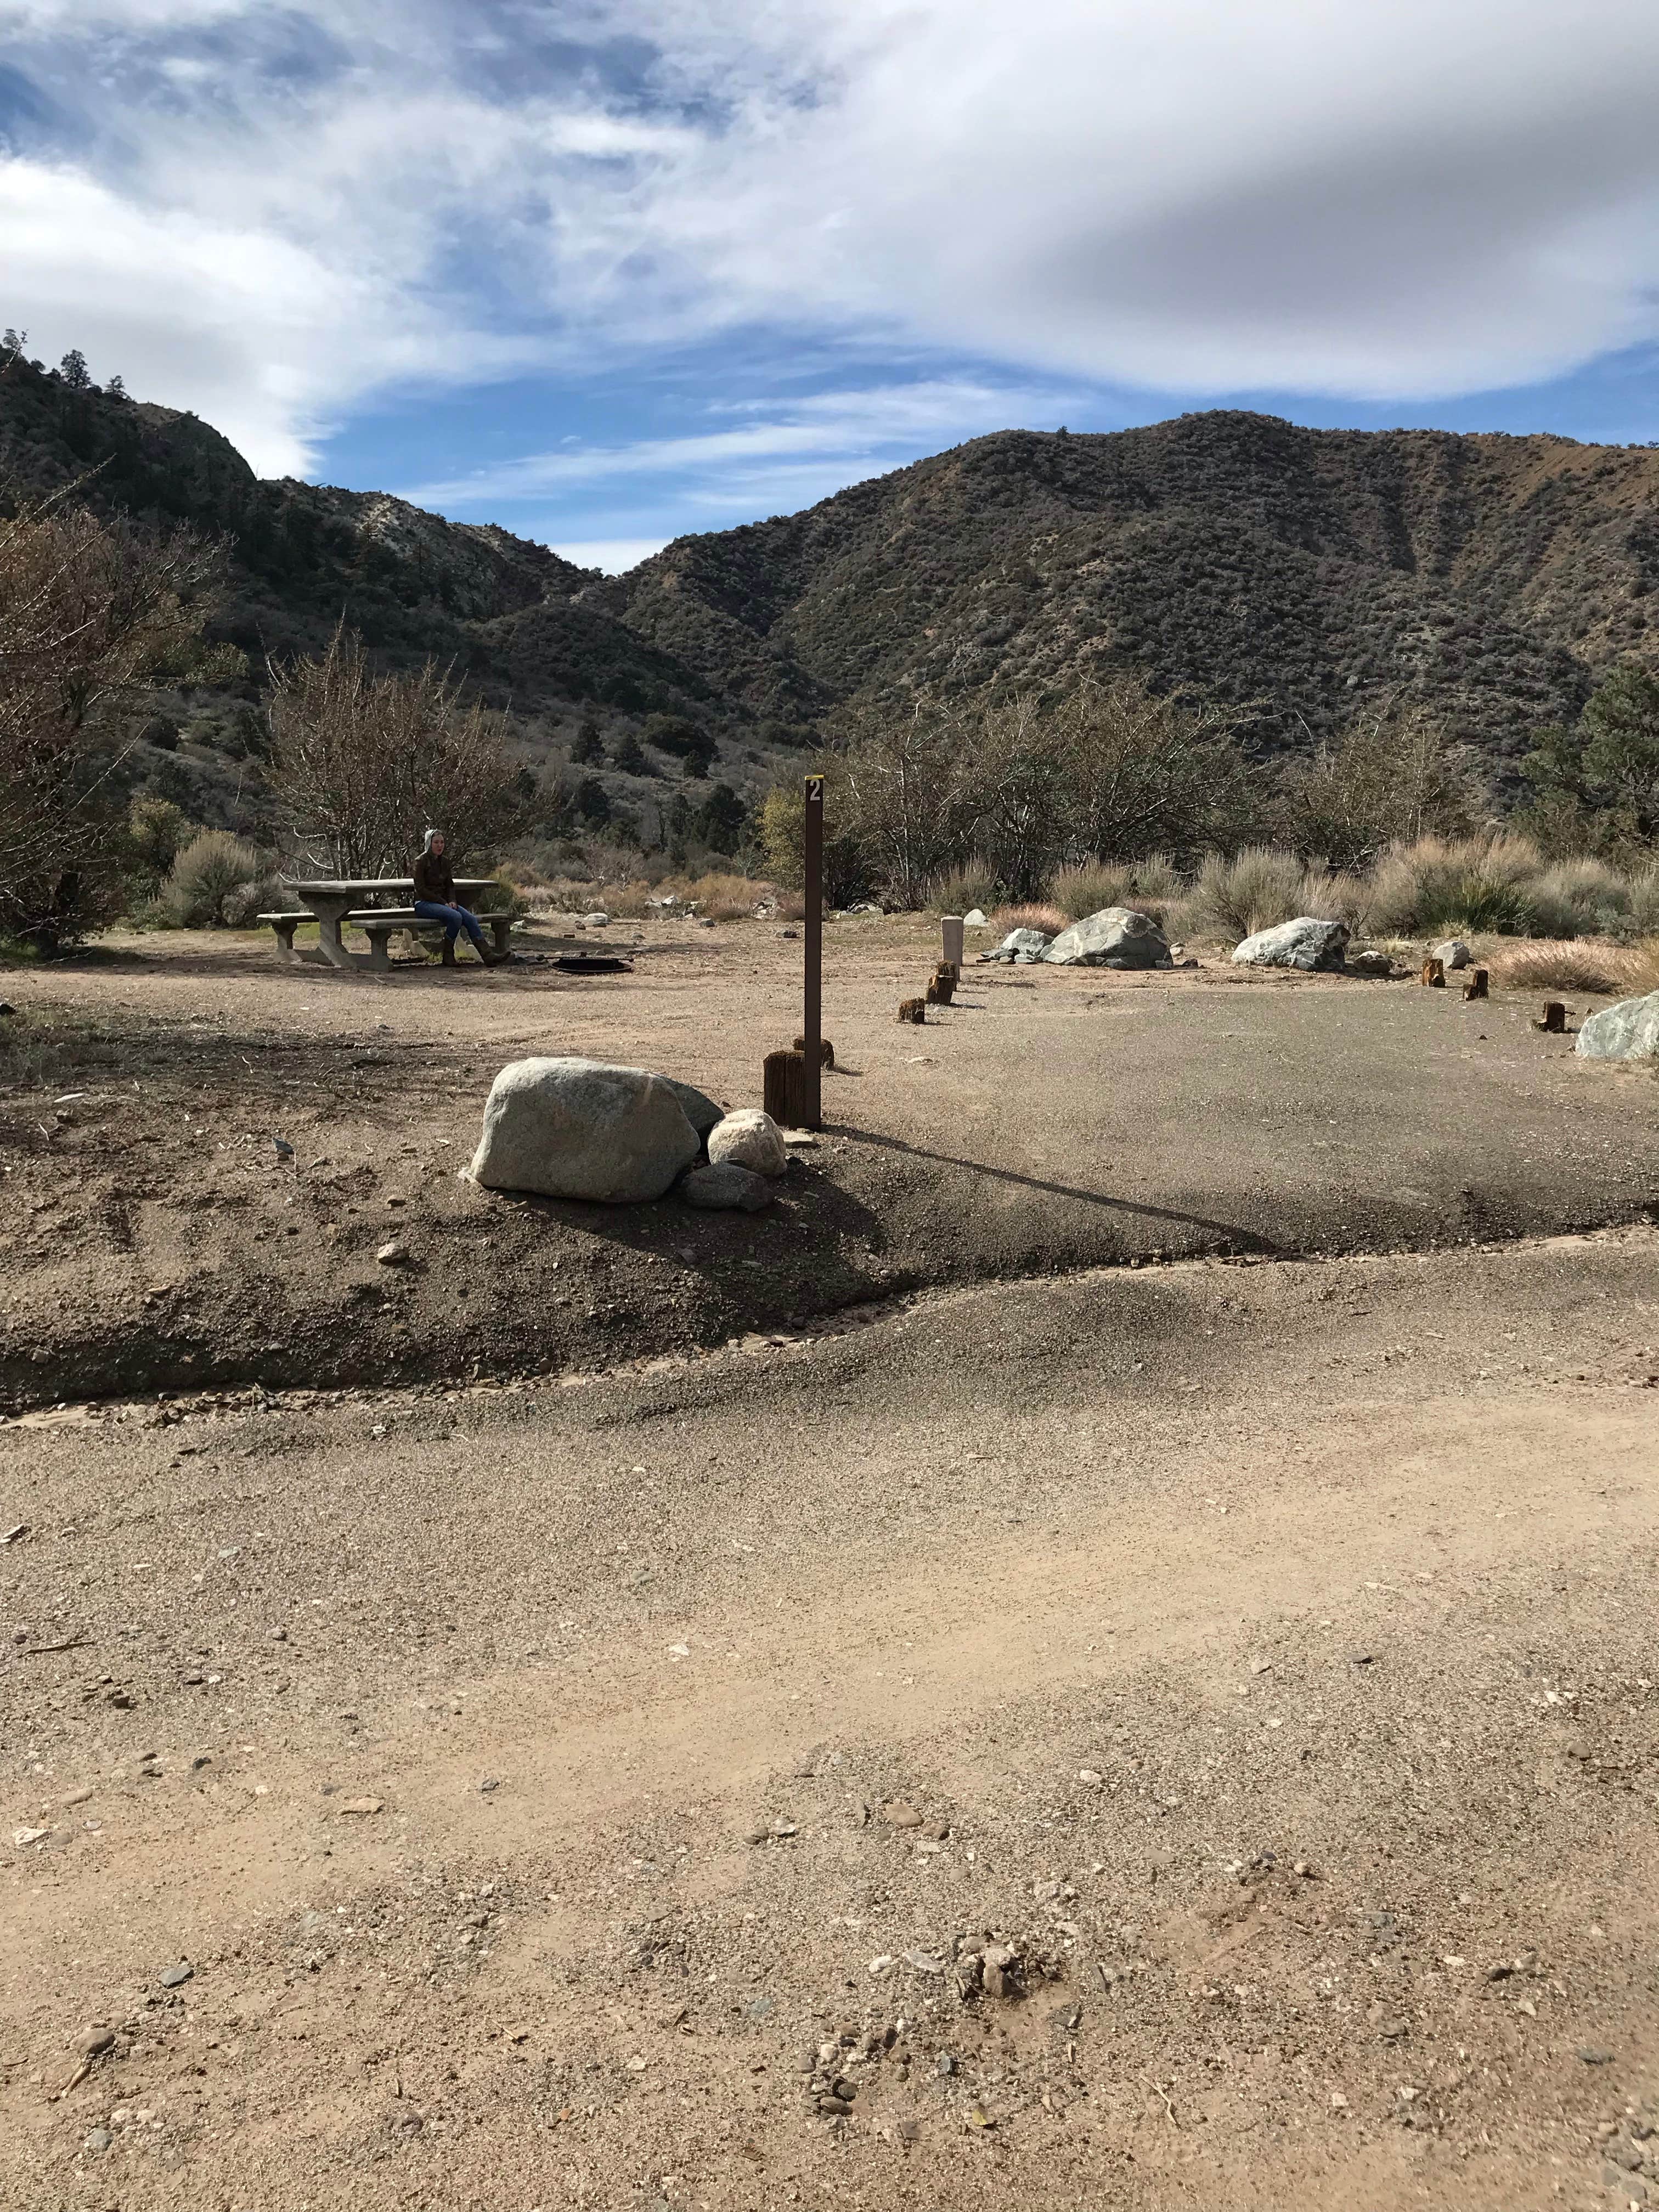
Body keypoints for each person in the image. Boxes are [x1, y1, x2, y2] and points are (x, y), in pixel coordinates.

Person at [412, 829, 492, 967]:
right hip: (424, 904)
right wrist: (443, 902)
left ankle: (488, 955)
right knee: (456, 917)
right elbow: (421, 889)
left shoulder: (445, 862)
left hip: (444, 904)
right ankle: (448, 955)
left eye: (442, 842)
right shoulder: (420, 862)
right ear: (429, 844)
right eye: (436, 842)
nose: (440, 846)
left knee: (470, 918)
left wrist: (452, 901)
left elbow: (450, 885)